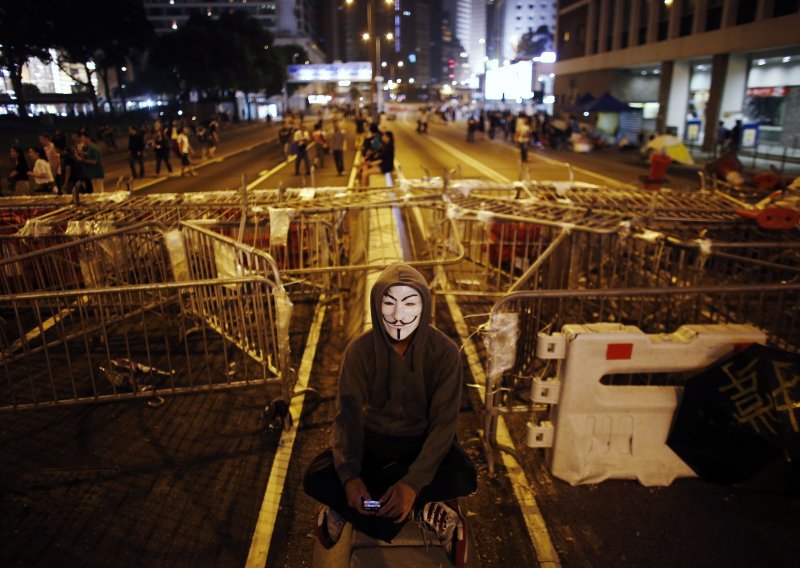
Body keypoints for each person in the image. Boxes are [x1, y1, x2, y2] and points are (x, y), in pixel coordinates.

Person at [304, 263, 476, 567]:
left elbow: (443, 427)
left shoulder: (445, 353)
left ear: (424, 306)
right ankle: (420, 506)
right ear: (375, 305)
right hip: (374, 446)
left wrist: (412, 483)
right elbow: (349, 420)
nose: (398, 316)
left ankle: (357, 508)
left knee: (463, 471)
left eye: (410, 303)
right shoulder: (359, 351)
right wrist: (350, 477)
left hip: (420, 446)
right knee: (317, 475)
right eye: (389, 303)